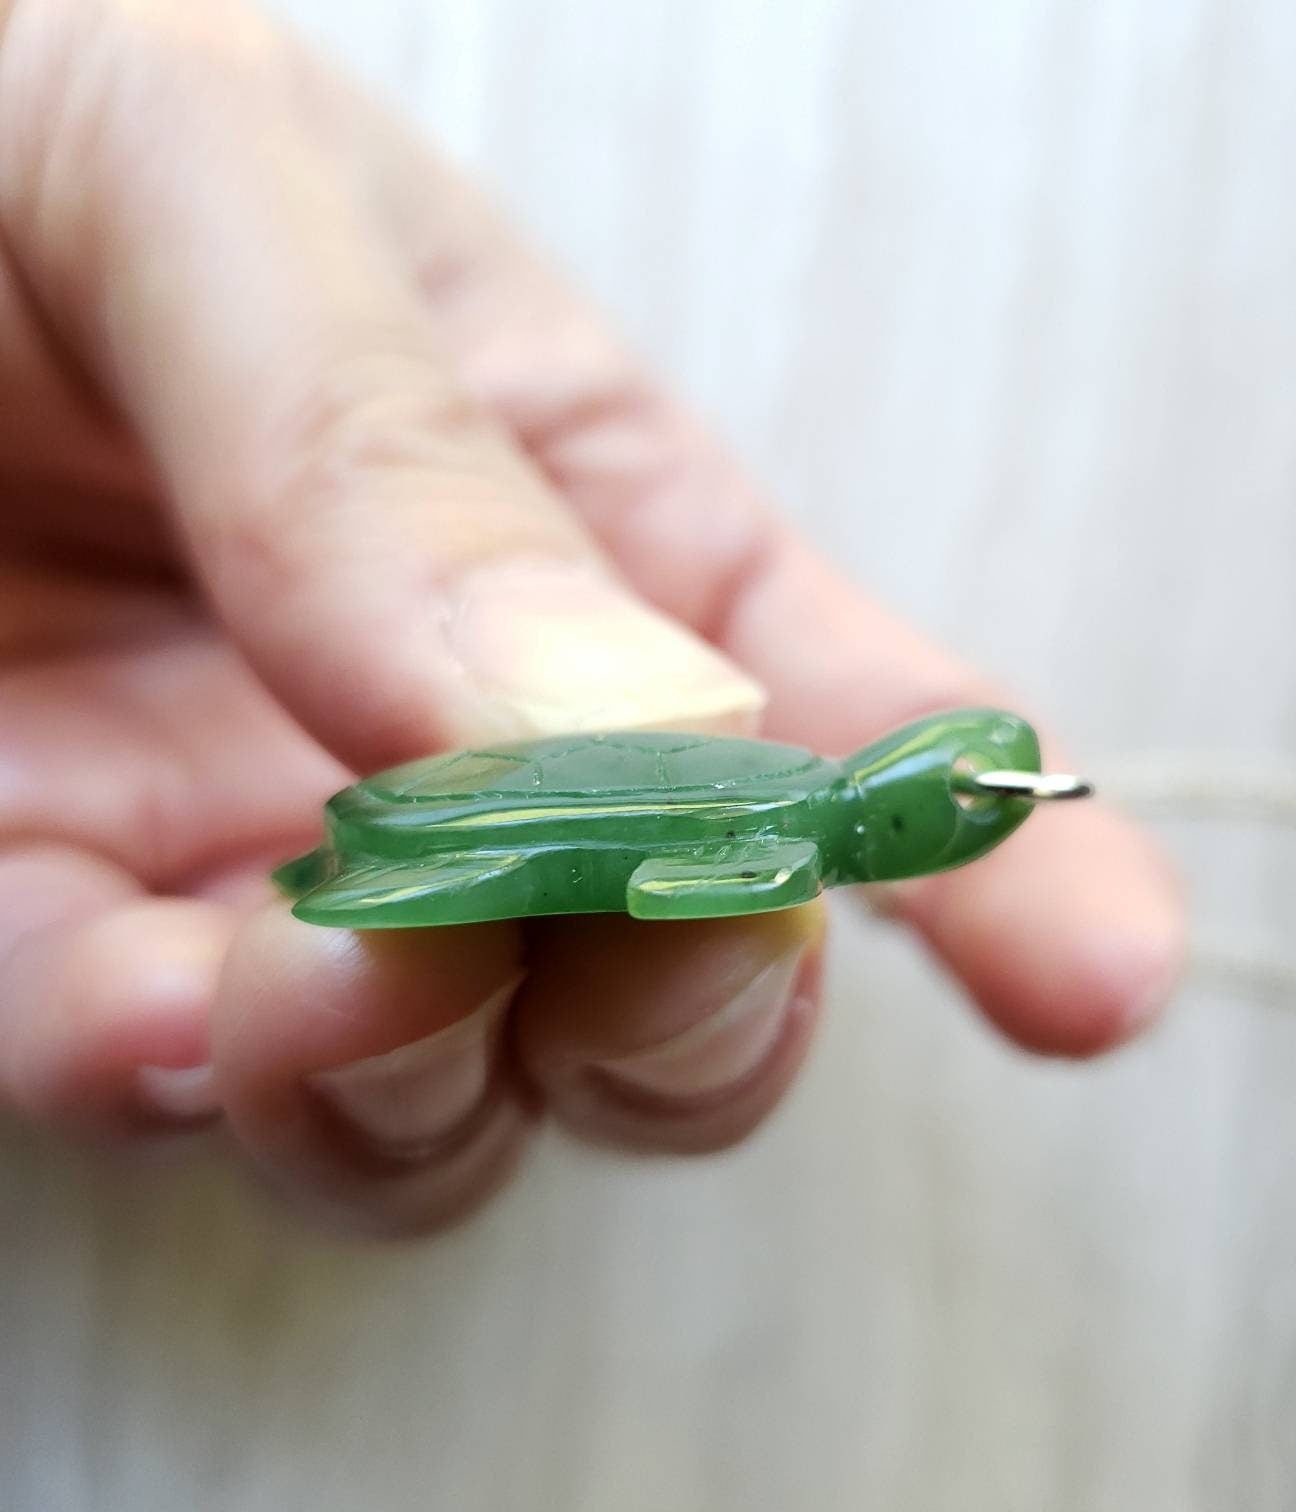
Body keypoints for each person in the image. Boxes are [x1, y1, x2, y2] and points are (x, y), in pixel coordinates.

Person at [0, 0, 1183, 1234]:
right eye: (959, 803)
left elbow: (678, 895)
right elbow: (673, 885)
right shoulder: (773, 838)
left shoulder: (783, 837)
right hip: (446, 805)